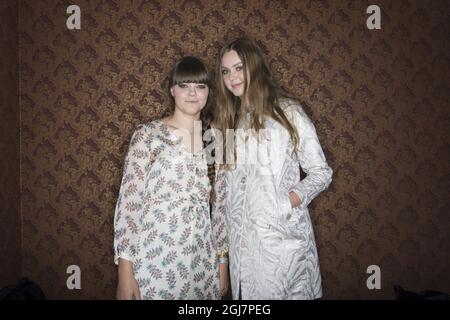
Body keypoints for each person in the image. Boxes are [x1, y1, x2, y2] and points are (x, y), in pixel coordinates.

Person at [212, 37, 333, 299]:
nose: (232, 77)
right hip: (242, 254)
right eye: (225, 71)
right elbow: (221, 197)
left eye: (238, 67)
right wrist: (222, 258)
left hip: (282, 245)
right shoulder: (228, 123)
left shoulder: (288, 111)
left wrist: (284, 202)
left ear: (254, 66)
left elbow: (321, 172)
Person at [113, 56, 228, 300]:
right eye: (184, 85)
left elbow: (219, 209)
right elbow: (129, 205)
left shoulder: (213, 142)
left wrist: (222, 265)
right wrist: (125, 273)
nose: (192, 93)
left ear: (208, 92)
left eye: (200, 86)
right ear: (172, 90)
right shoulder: (148, 136)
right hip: (154, 261)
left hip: (201, 264)